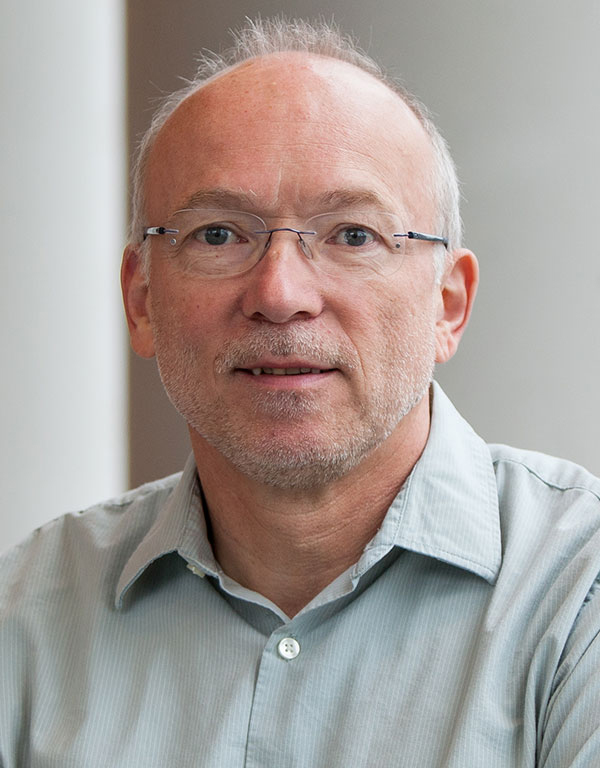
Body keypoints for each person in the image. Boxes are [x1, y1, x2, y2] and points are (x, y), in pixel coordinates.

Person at [1, 17, 599, 768]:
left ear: (447, 305)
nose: (280, 295)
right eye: (218, 235)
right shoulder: (25, 618)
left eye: (352, 235)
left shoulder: (578, 593)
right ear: (142, 300)